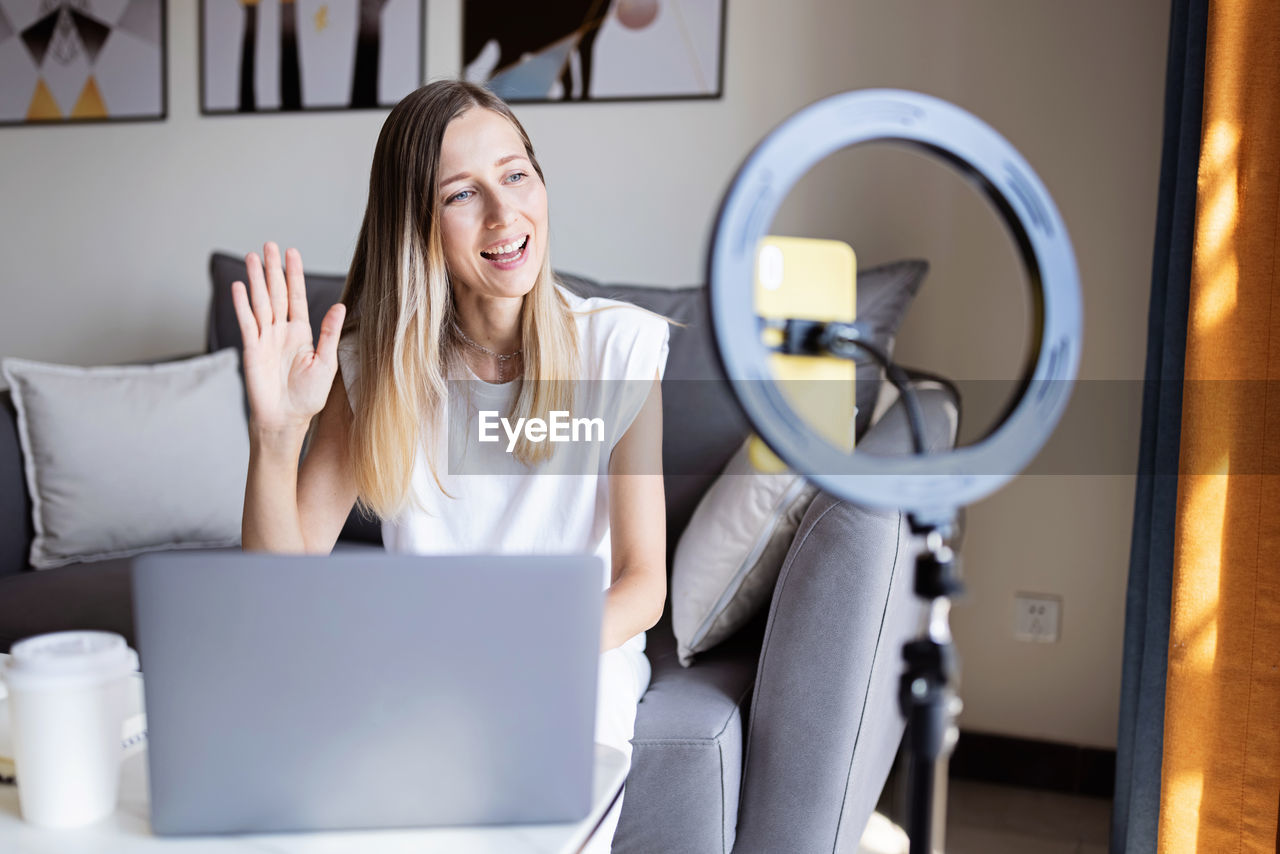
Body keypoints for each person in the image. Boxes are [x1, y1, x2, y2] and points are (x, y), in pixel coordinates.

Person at [230, 79, 672, 851]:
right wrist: (275, 435)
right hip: (419, 678)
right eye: (461, 194)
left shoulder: (619, 349)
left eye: (515, 175)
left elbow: (643, 587)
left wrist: (505, 653)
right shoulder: (372, 369)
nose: (505, 216)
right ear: (417, 225)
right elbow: (279, 591)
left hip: (569, 664)